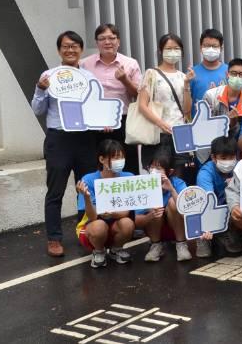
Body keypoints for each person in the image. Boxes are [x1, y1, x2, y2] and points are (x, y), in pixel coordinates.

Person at [31, 30, 98, 257]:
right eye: (66, 46)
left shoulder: (89, 77)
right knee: (55, 190)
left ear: (81, 50)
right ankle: (54, 239)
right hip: (59, 138)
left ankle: (85, 231)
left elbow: (95, 107)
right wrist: (40, 89)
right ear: (59, 50)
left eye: (75, 46)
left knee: (86, 189)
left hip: (86, 138)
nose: (70, 50)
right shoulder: (49, 75)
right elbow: (38, 110)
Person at [80, 23, 142, 174]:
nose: (107, 42)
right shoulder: (84, 64)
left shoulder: (130, 63)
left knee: (127, 163)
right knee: (95, 164)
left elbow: (139, 95)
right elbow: (80, 96)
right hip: (94, 123)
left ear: (118, 41)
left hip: (122, 121)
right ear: (97, 42)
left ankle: (128, 195)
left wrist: (125, 80)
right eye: (102, 38)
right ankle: (94, 196)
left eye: (111, 38)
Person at [137, 34, 193, 177]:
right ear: (161, 51)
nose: (173, 52)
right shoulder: (151, 74)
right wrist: (160, 123)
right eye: (169, 48)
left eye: (176, 48)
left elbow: (187, 110)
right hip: (158, 135)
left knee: (179, 178)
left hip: (180, 134)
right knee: (157, 178)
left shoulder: (182, 76)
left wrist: (187, 84)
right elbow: (142, 106)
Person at [75, 139, 136, 268]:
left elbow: (126, 212)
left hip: (115, 222)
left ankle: (116, 249)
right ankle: (98, 251)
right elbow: (91, 218)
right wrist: (86, 197)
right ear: (102, 159)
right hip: (92, 227)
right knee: (99, 226)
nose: (119, 161)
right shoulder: (88, 180)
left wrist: (113, 214)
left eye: (121, 157)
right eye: (114, 157)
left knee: (128, 224)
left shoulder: (128, 177)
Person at [134, 150, 192, 262]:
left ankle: (181, 245)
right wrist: (150, 215)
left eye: (159, 168)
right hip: (154, 227)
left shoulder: (178, 183)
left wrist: (171, 189)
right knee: (154, 205)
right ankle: (156, 245)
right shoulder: (142, 186)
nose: (154, 171)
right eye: (152, 167)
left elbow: (187, 210)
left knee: (173, 202)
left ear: (169, 171)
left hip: (176, 226)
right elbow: (137, 221)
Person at [198, 58, 242, 163]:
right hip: (209, 152)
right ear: (227, 74)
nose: (237, 77)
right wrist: (227, 123)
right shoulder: (211, 95)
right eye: (234, 73)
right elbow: (203, 128)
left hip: (234, 154)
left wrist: (233, 125)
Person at [196, 136, 242, 257]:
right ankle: (203, 238)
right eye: (223, 158)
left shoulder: (241, 168)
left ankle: (229, 232)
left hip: (232, 208)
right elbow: (208, 202)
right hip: (210, 209)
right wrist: (208, 225)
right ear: (213, 158)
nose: (228, 161)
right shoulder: (205, 173)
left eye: (231, 157)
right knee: (198, 204)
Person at [190, 28, 228, 114]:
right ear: (201, 47)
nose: (210, 49)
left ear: (221, 48)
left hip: (226, 124)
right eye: (206, 46)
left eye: (214, 46)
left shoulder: (230, 72)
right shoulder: (191, 74)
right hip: (199, 124)